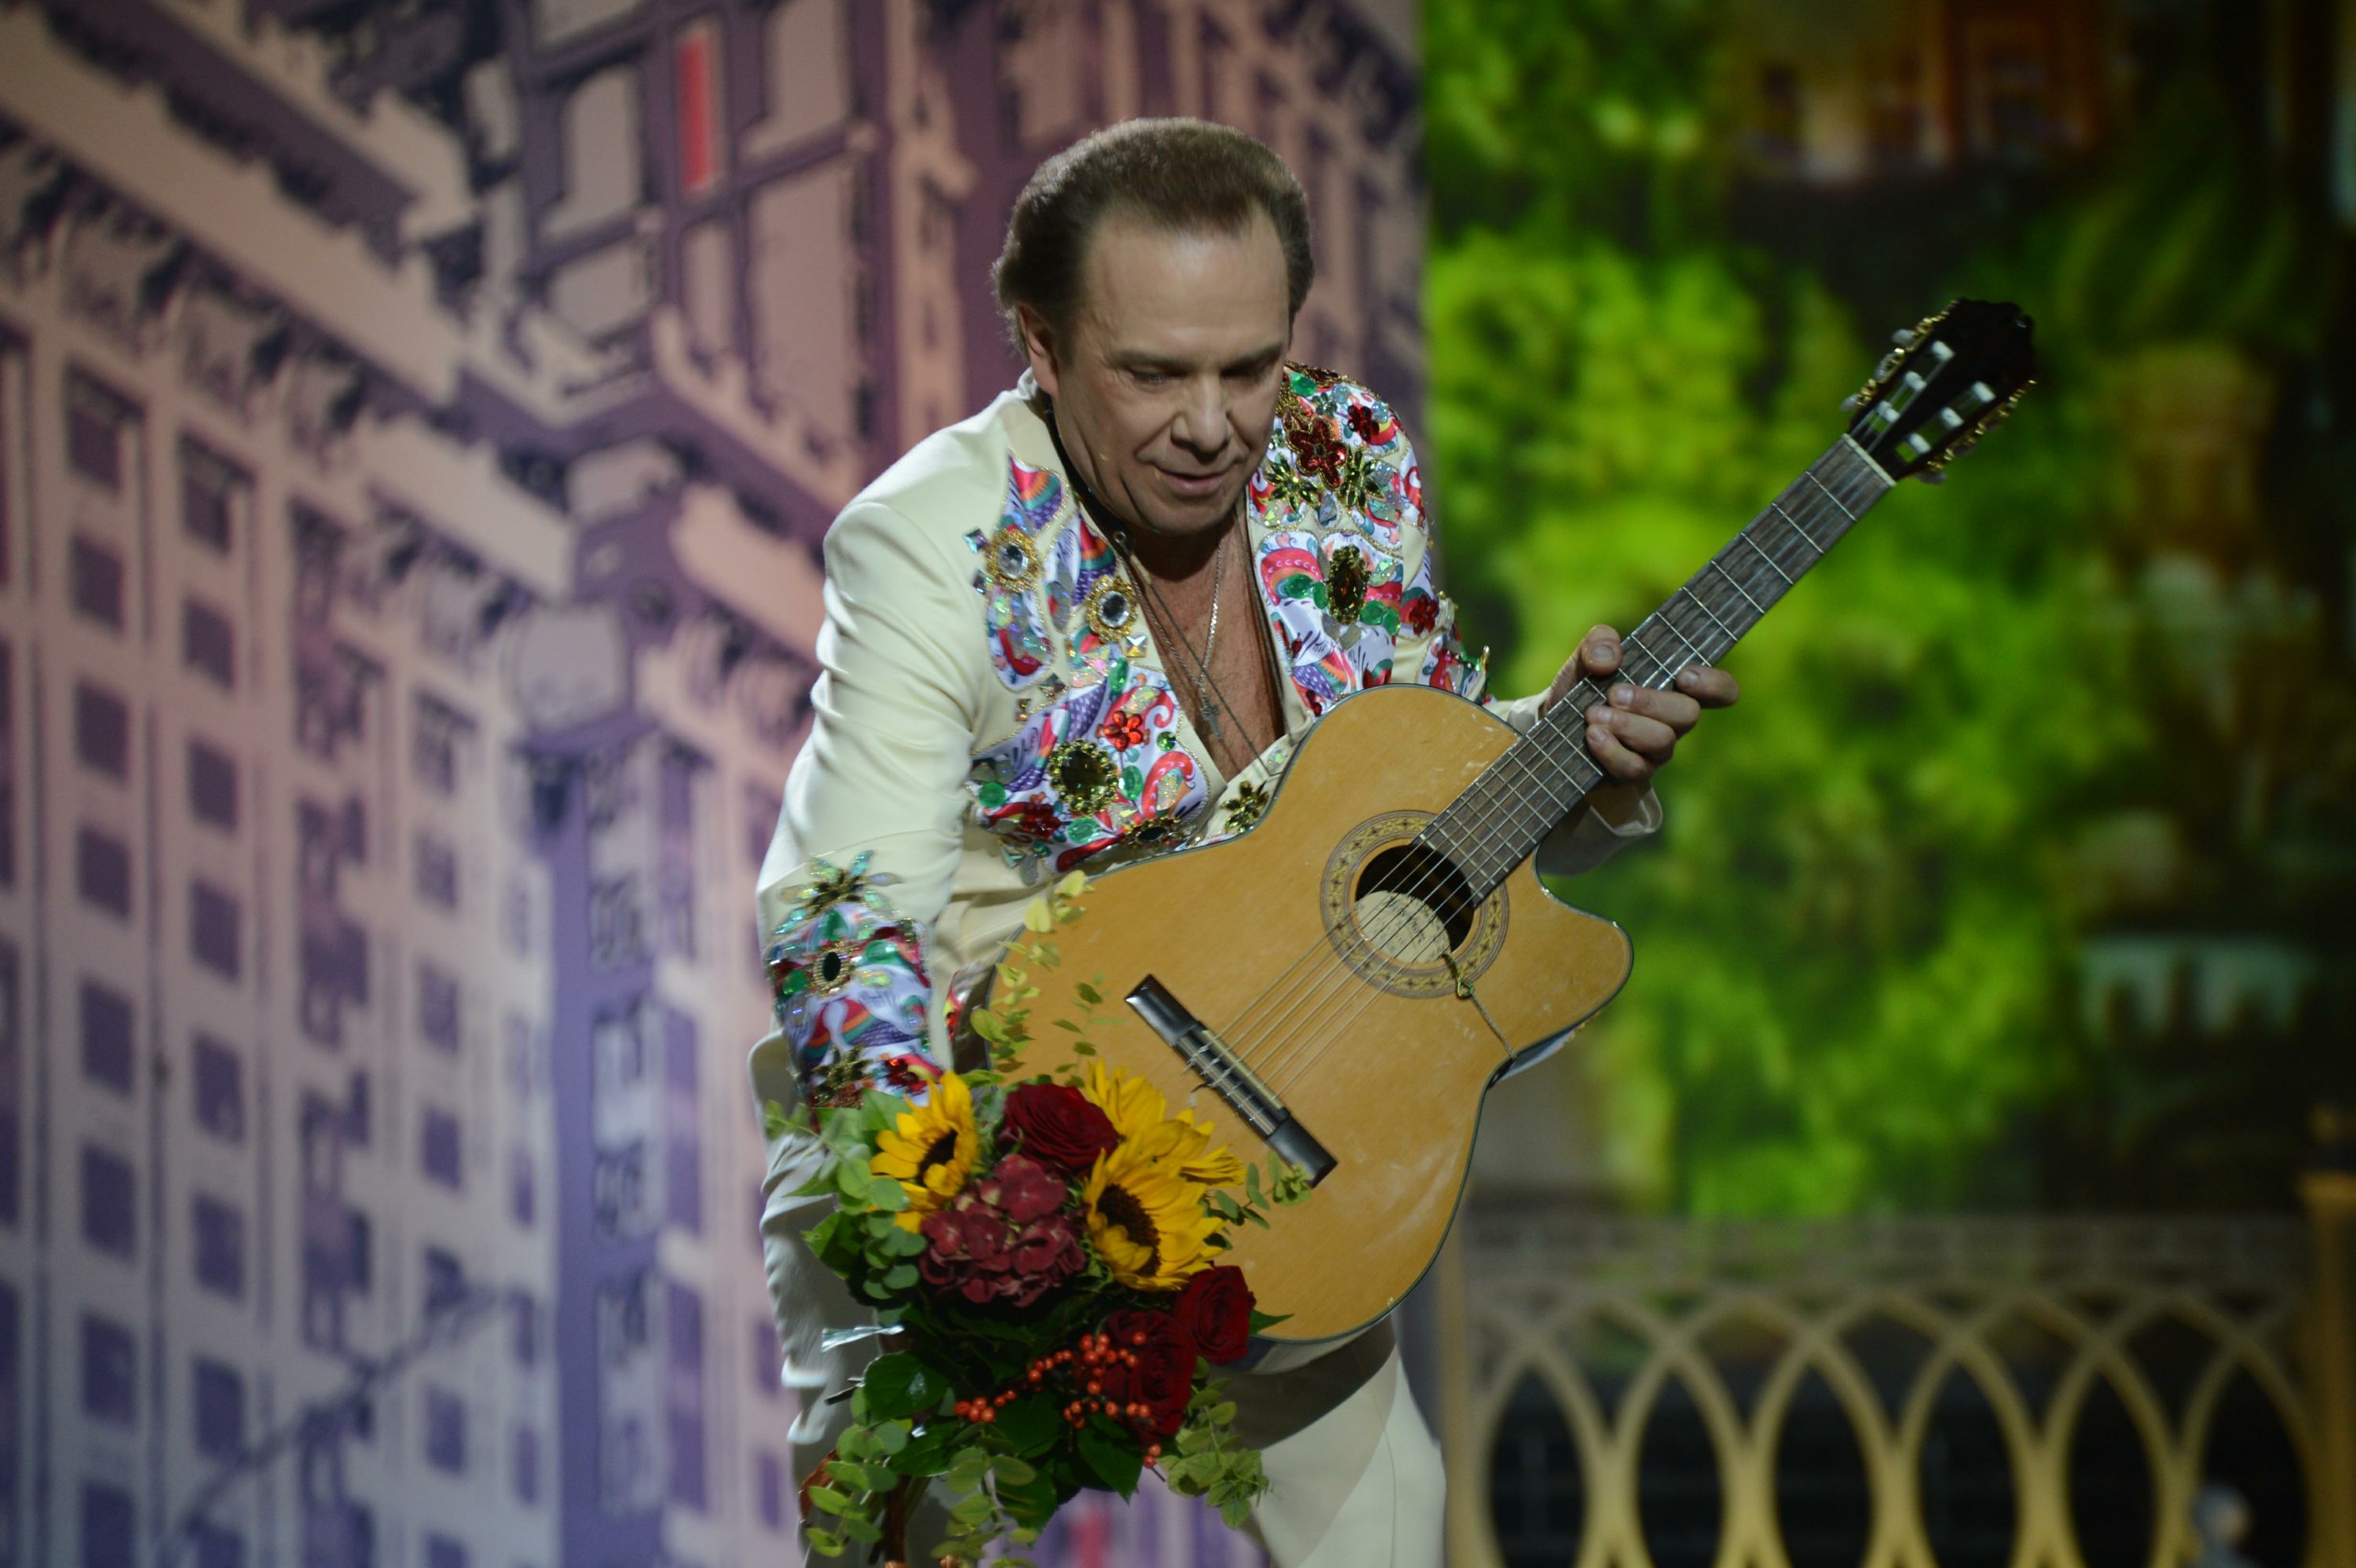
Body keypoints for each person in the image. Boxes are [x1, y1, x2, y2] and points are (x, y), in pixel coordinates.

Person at [748, 117, 1737, 1566]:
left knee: (1390, 1529)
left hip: (1271, 1135)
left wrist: (1569, 754)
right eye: (1154, 374)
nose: (1213, 424)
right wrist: (951, 1214)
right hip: (984, 1131)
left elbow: (1398, 796)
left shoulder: (1348, 461)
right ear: (1041, 342)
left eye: (1249, 367)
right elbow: (845, 908)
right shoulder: (930, 538)